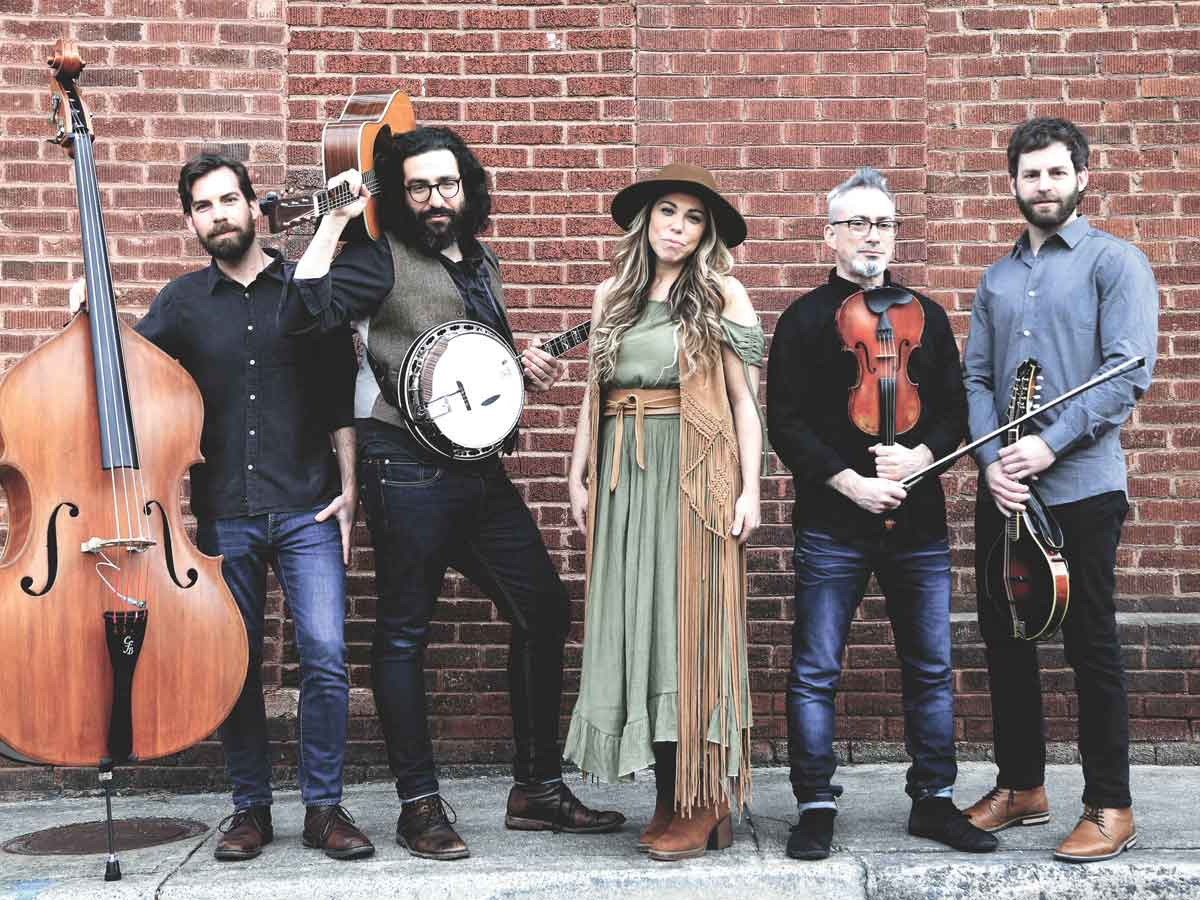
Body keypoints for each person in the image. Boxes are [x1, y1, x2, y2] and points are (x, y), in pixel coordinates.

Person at [280, 126, 624, 860]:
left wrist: (517, 370)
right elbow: (301, 313)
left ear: (468, 186)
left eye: (448, 184)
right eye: (419, 187)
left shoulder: (482, 260)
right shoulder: (376, 259)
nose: (437, 199)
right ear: (401, 197)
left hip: (478, 470)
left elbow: (469, 366)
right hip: (402, 470)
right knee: (404, 632)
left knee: (544, 608)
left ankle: (535, 788)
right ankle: (418, 807)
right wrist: (334, 222)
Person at [72, 154, 372, 861]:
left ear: (251, 207)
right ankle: (250, 810)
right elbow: (126, 378)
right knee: (232, 666)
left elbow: (337, 395)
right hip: (222, 516)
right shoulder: (180, 303)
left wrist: (351, 488)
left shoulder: (304, 288)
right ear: (191, 222)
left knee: (326, 657)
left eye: (229, 200)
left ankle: (324, 809)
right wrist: (92, 319)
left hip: (307, 507)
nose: (220, 215)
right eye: (204, 207)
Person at [767, 167, 997, 860]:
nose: (873, 235)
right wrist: (849, 482)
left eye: (884, 224)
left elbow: (955, 411)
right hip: (834, 522)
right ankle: (814, 804)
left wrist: (923, 455)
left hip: (918, 522)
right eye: (858, 223)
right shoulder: (804, 317)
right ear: (830, 233)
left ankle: (932, 800)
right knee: (816, 670)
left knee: (929, 667)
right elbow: (786, 423)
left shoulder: (925, 313)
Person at [961, 118, 1158, 863]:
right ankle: (1021, 787)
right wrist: (991, 463)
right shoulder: (997, 278)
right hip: (1006, 490)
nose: (1042, 187)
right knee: (1008, 640)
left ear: (1082, 176)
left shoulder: (1117, 263)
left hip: (1080, 487)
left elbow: (1128, 371)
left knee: (1090, 646)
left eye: (1055, 173)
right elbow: (978, 377)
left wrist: (1045, 443)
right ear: (1011, 183)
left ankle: (1111, 804)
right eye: (1030, 175)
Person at [562, 164, 764, 862]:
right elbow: (595, 391)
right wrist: (578, 470)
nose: (677, 227)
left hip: (693, 476)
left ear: (707, 233)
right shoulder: (611, 293)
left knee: (689, 630)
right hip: (623, 479)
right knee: (635, 629)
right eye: (668, 212)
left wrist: (751, 490)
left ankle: (704, 795)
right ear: (646, 219)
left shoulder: (720, 293)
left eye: (694, 218)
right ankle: (670, 792)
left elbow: (743, 402)